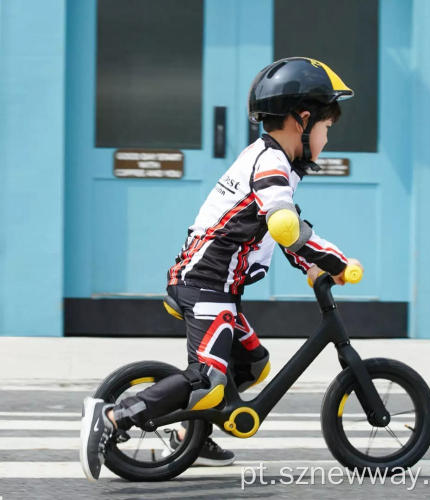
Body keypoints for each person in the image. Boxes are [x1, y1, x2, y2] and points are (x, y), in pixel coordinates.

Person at [80, 56, 363, 481]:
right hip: (205, 285)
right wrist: (339, 262)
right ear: (302, 120)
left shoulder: (275, 164)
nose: (327, 138)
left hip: (215, 286)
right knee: (208, 379)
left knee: (252, 365)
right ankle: (115, 418)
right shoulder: (269, 165)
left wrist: (312, 264)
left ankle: (190, 433)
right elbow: (284, 224)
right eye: (326, 128)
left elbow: (282, 227)